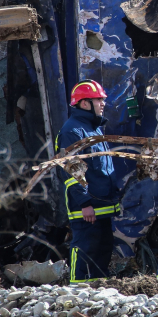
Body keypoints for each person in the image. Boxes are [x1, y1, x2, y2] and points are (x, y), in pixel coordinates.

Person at [56, 80, 121, 283]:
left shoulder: (94, 129)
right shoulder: (72, 131)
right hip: (87, 207)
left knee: (102, 249)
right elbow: (72, 171)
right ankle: (77, 289)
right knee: (85, 248)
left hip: (102, 205)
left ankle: (98, 290)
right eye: (98, 100)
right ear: (85, 104)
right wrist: (84, 203)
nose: (103, 103)